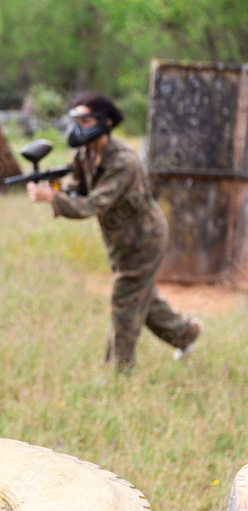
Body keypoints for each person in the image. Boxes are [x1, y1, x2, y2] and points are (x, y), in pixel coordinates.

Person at [27, 92, 202, 372]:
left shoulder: (124, 161)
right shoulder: (85, 155)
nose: (79, 127)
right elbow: (77, 188)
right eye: (77, 120)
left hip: (144, 239)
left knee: (125, 298)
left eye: (86, 120)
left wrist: (51, 199)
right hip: (121, 240)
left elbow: (94, 204)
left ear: (105, 121)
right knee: (142, 297)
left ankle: (117, 370)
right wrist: (54, 187)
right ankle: (185, 334)